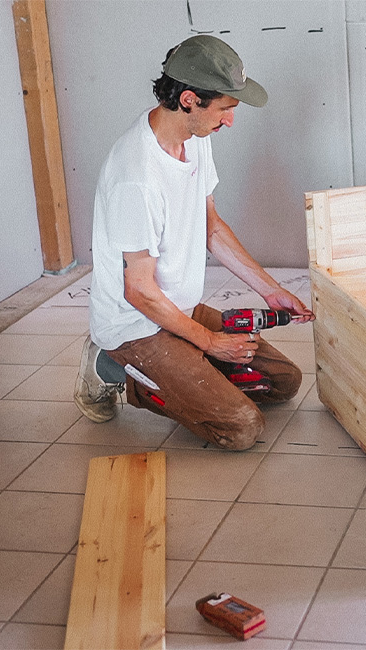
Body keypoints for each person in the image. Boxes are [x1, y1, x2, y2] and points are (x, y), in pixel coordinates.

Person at [74, 35, 313, 451]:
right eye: (225, 109)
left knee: (283, 383)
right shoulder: (137, 177)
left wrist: (271, 291)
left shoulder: (193, 141)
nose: (230, 121)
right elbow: (140, 292)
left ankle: (190, 373)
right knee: (241, 428)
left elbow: (211, 227)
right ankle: (111, 369)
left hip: (180, 308)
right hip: (138, 326)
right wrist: (209, 343)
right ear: (189, 99)